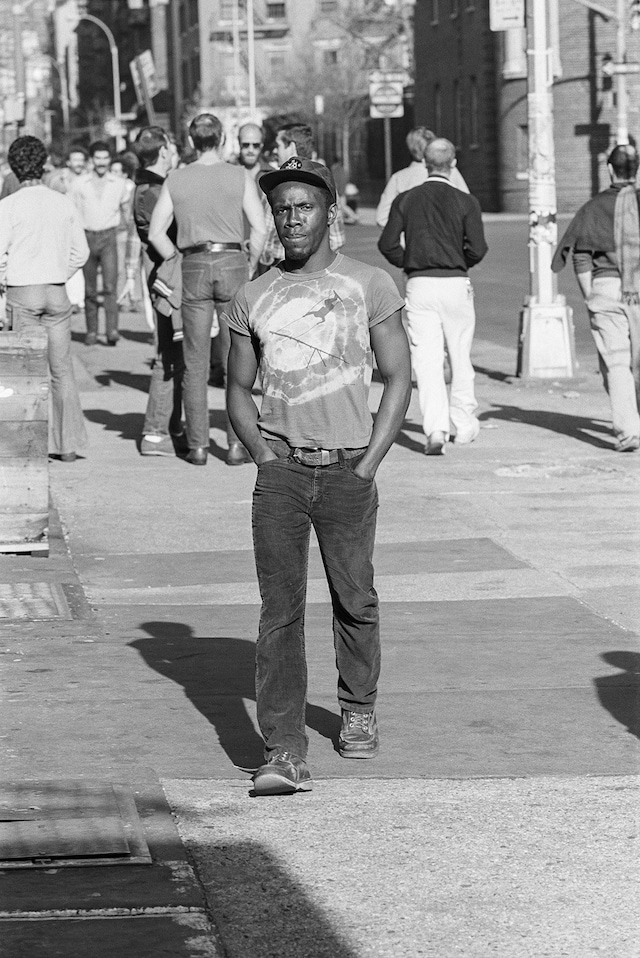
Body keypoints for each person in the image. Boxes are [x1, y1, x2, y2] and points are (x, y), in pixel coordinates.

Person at [224, 157, 412, 795]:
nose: (292, 217)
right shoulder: (253, 295)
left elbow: (398, 379)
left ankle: (358, 705)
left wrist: (368, 462)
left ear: (330, 213)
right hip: (281, 472)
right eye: (282, 208)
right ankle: (283, 750)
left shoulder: (370, 285)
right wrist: (264, 455)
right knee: (280, 610)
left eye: (304, 206)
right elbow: (237, 387)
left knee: (354, 597)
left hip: (346, 472)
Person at [149, 113, 266, 466]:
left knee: (194, 361)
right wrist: (250, 263)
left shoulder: (176, 178)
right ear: (222, 140)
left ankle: (198, 446)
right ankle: (235, 444)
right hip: (232, 260)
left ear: (190, 141)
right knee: (237, 360)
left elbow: (156, 232)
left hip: (193, 263)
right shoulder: (239, 175)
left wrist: (175, 257)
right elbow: (259, 229)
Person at [378, 137, 487, 456]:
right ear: (453, 164)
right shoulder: (466, 201)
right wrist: (458, 260)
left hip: (419, 284)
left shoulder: (407, 199)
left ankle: (435, 429)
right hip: (455, 282)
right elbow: (478, 248)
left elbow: (387, 244)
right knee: (460, 353)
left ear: (425, 164)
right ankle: (464, 425)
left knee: (426, 360)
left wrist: (410, 261)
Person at [0, 135, 89, 461]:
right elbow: (81, 252)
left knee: (25, 370)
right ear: (43, 164)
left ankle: (28, 444)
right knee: (61, 370)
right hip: (56, 291)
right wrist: (58, 271)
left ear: (13, 167)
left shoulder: (7, 207)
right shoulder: (62, 202)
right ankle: (66, 445)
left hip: (23, 293)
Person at [552, 144, 640, 452]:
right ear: (637, 169)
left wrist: (592, 294)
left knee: (617, 363)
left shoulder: (592, 208)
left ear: (611, 170)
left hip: (606, 287)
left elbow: (580, 256)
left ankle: (629, 430)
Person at [120, 126, 185, 458]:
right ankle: (155, 431)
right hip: (167, 278)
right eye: (172, 145)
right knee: (168, 355)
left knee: (174, 353)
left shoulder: (148, 185)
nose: (175, 151)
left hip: (162, 275)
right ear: (162, 151)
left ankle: (170, 426)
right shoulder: (152, 190)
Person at [258, 122, 346, 273]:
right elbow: (337, 239)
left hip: (280, 272)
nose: (275, 151)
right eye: (283, 210)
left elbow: (263, 239)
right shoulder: (323, 183)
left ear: (291, 147)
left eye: (278, 146)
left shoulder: (280, 187)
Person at [68, 140, 131, 346]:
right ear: (92, 160)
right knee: (90, 289)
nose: (102, 162)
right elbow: (72, 212)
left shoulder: (119, 183)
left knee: (110, 286)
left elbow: (127, 211)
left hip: (109, 237)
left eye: (105, 158)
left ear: (110, 159)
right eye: (98, 158)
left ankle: (112, 330)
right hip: (87, 237)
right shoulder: (80, 183)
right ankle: (92, 331)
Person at [376, 126, 470, 229]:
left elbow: (382, 218)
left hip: (411, 241)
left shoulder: (399, 178)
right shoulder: (450, 172)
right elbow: (467, 207)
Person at [45, 145, 89, 312]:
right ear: (68, 162)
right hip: (66, 227)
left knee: (84, 261)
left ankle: (81, 299)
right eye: (75, 159)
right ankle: (74, 300)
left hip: (86, 226)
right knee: (72, 261)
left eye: (81, 159)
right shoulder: (61, 178)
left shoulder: (88, 177)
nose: (78, 163)